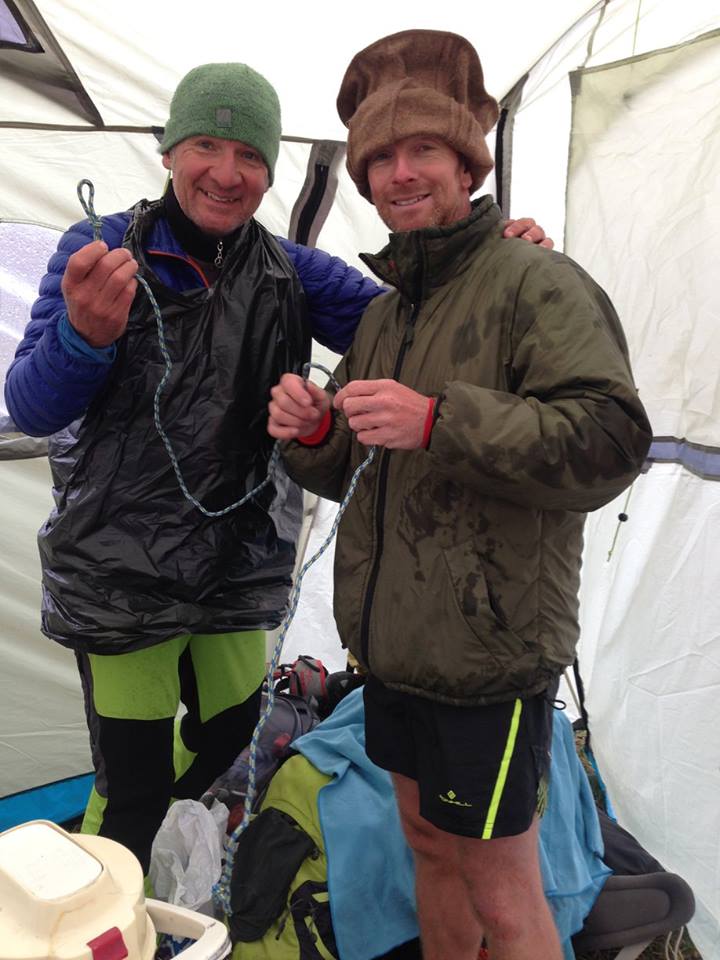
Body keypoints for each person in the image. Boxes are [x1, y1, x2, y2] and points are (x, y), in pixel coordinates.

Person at [4, 60, 550, 876]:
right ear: (168, 152)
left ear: (269, 171)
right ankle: (99, 895)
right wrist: (84, 334)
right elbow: (33, 405)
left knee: (231, 733)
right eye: (205, 146)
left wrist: (494, 265)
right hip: (118, 568)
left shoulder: (294, 273)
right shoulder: (97, 250)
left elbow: (419, 324)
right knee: (135, 784)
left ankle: (151, 847)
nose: (226, 173)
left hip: (234, 561)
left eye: (249, 156)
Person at [268, 30, 652, 960]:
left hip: (487, 657)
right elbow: (359, 465)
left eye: (423, 150)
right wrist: (316, 432)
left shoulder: (535, 282)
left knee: (501, 880)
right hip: (397, 652)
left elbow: (610, 441)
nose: (402, 173)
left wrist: (441, 419)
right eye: (382, 158)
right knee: (430, 849)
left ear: (465, 162)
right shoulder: (388, 312)